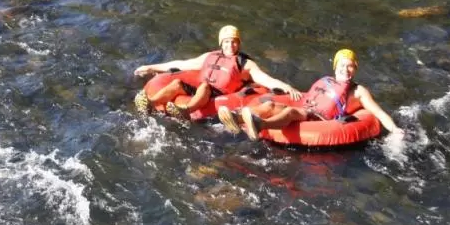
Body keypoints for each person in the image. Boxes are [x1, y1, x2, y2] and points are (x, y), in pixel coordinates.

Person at [226, 48, 404, 139]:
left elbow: (378, 112)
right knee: (270, 105)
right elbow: (307, 98)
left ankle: (260, 126)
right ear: (336, 67)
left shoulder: (358, 91)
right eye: (342, 65)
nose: (345, 69)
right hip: (306, 110)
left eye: (350, 66)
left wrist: (395, 129)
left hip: (320, 119)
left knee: (290, 112)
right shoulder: (326, 81)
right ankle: (237, 118)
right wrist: (293, 94)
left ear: (355, 68)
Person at [133, 25, 302, 119]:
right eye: (227, 42)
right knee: (177, 83)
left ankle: (185, 110)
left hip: (218, 95)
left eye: (234, 42)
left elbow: (266, 79)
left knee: (205, 86)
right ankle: (150, 102)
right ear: (221, 44)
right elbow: (183, 64)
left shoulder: (245, 64)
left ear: (239, 44)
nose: (231, 46)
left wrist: (288, 87)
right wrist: (151, 67)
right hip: (200, 88)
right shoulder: (210, 56)